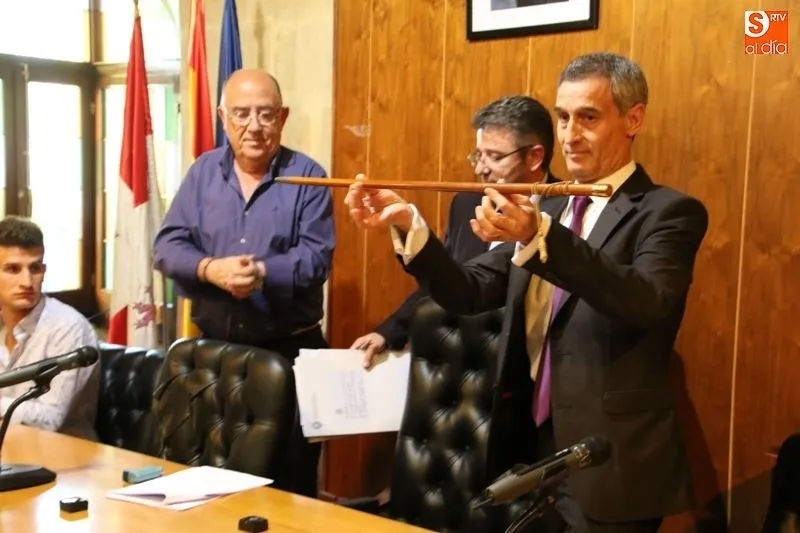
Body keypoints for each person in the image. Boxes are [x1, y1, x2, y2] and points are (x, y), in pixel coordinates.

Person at [345, 52, 707, 532]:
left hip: (612, 459)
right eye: (563, 118)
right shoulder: (548, 211)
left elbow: (646, 301)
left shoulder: (666, 212)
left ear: (633, 119)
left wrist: (541, 238)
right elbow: (469, 291)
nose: (570, 135)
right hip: (530, 449)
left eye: (588, 118)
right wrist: (409, 224)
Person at [153, 69, 334, 498]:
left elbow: (317, 258)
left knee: (289, 490)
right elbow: (166, 247)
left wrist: (261, 273)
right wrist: (210, 269)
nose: (254, 126)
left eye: (265, 114)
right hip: (215, 357)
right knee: (211, 485)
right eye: (241, 113)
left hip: (291, 355)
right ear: (223, 117)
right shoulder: (202, 172)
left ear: (283, 117)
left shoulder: (309, 176)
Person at [351, 95, 558, 368]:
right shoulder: (466, 203)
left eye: (494, 157)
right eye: (478, 155)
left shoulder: (564, 212)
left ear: (534, 157)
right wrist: (389, 331)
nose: (480, 168)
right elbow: (446, 277)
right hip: (462, 365)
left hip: (528, 368)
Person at [0, 216, 99, 440]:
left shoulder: (68, 327)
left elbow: (50, 418)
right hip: (10, 445)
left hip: (66, 454)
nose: (27, 282)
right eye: (13, 269)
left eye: (35, 268)